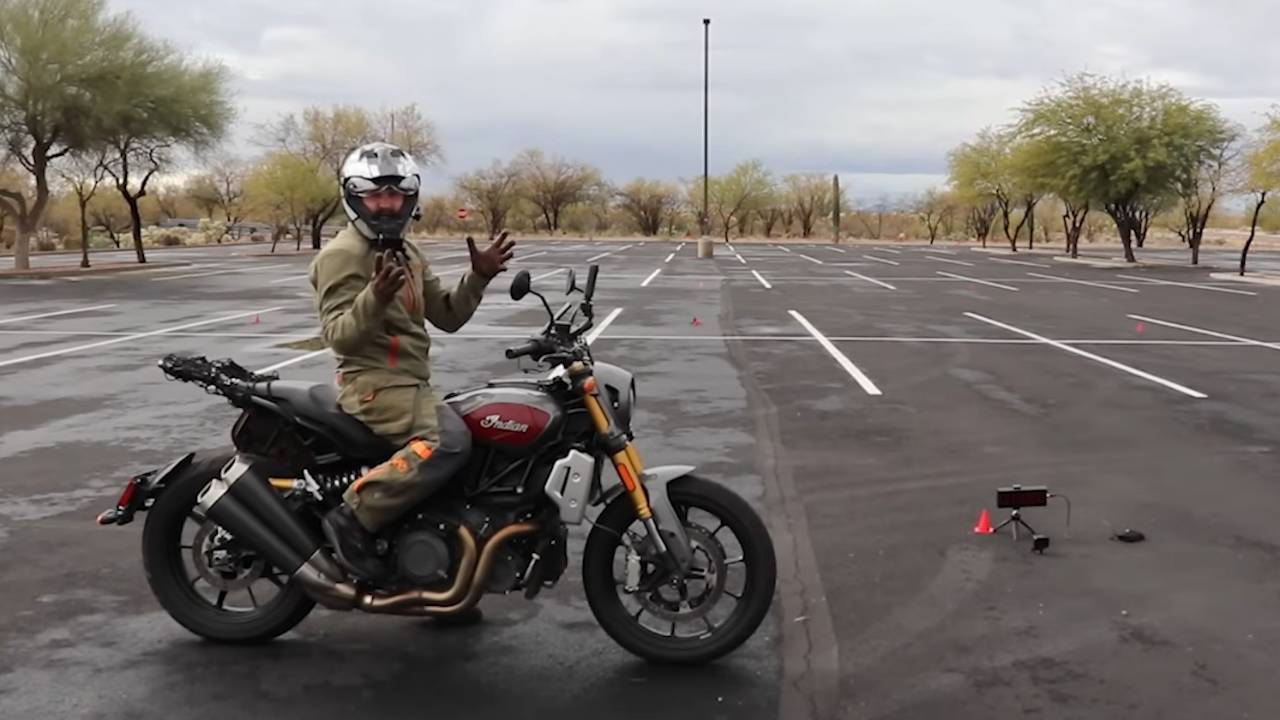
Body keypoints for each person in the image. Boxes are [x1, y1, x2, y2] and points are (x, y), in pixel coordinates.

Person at [308, 141, 515, 582]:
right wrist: (374, 298)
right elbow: (339, 337)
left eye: (395, 194)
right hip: (373, 386)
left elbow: (448, 315)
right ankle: (352, 516)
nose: (386, 204)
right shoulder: (343, 255)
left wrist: (478, 277)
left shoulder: (408, 252)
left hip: (410, 384)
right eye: (375, 195)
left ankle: (447, 571)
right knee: (448, 442)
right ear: (354, 196)